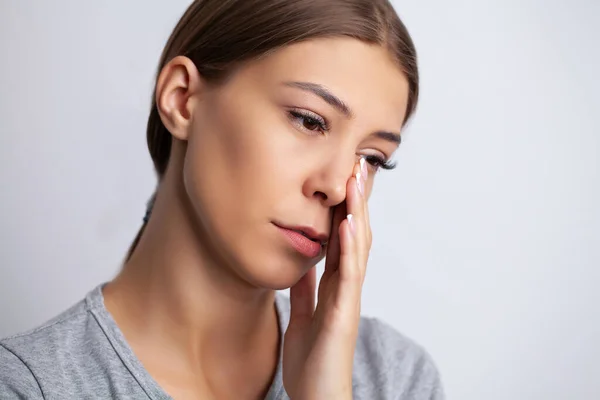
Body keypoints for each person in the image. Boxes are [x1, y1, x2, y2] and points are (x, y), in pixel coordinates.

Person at [0, 0, 444, 399]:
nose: (335, 185)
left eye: (371, 158)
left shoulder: (395, 378)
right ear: (183, 100)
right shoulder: (26, 385)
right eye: (309, 120)